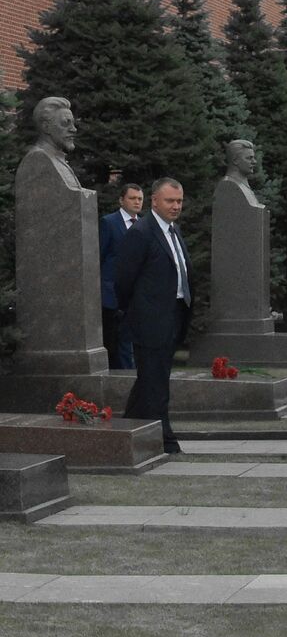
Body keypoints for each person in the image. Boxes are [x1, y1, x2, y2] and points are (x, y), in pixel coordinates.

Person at [116, 178, 194, 455]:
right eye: (170, 201)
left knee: (151, 379)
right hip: (150, 320)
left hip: (174, 315)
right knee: (155, 382)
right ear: (154, 202)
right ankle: (164, 439)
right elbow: (124, 280)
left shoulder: (173, 231)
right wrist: (140, 310)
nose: (176, 206)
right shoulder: (142, 232)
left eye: (179, 201)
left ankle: (127, 430)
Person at [98, 183, 142, 369]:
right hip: (112, 296)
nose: (137, 202)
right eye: (132, 198)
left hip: (137, 295)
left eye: (140, 199)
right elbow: (99, 255)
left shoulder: (145, 224)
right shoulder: (109, 223)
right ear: (121, 200)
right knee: (115, 343)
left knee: (133, 341)